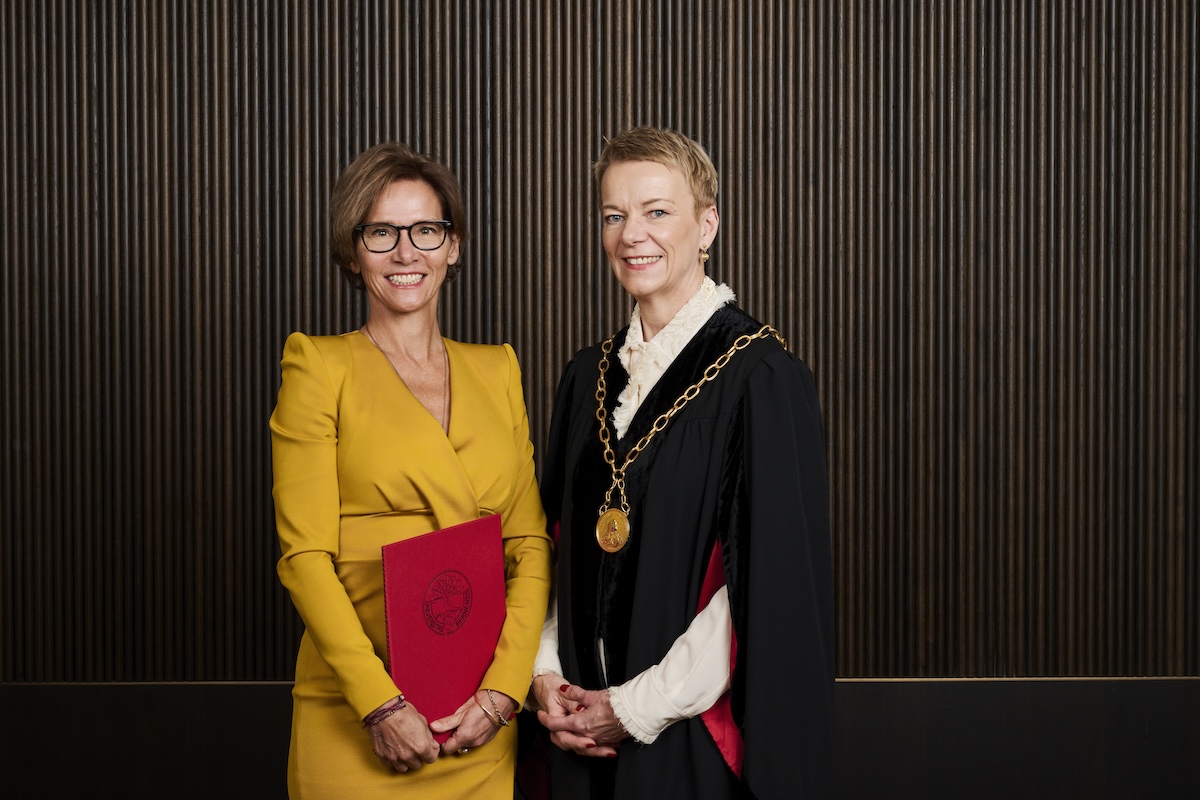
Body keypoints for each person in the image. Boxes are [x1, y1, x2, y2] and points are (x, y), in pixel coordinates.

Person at [528, 127, 834, 799]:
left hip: (685, 738)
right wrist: (545, 674)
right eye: (614, 215)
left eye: (657, 211)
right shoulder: (585, 377)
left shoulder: (760, 377)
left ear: (707, 225)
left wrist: (634, 708)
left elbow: (766, 587)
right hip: (576, 731)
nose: (631, 235)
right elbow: (552, 548)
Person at [270, 142, 552, 799]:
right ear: (352, 253)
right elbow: (304, 557)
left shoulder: (498, 369)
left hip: (479, 719)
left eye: (426, 230)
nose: (406, 252)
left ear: (453, 246)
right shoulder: (318, 367)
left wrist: (504, 693)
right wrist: (379, 705)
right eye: (381, 233)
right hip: (356, 714)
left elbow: (530, 545)